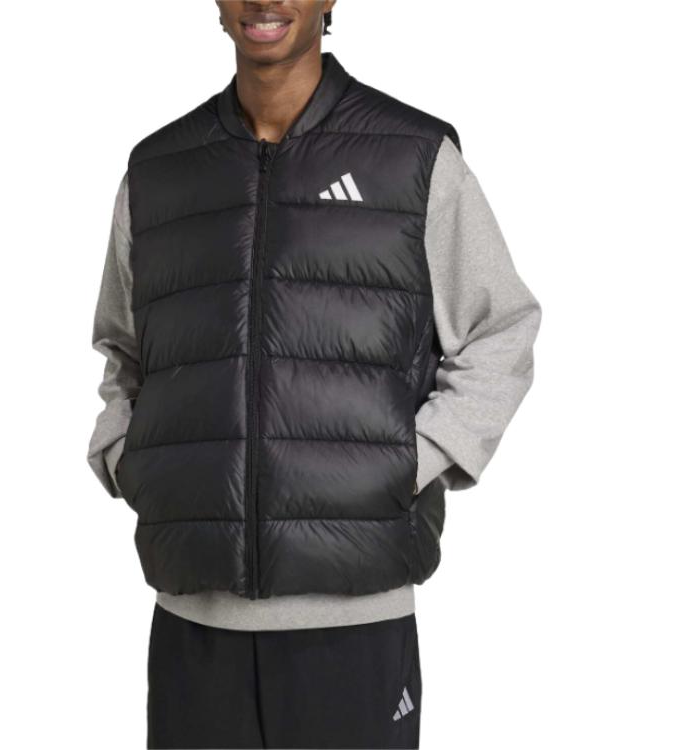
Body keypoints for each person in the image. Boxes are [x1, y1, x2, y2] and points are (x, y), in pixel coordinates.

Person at [87, 1, 542, 747]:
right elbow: (126, 350)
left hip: (354, 624)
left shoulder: (412, 155)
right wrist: (126, 456)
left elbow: (500, 328)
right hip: (193, 620)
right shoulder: (159, 170)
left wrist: (408, 460)